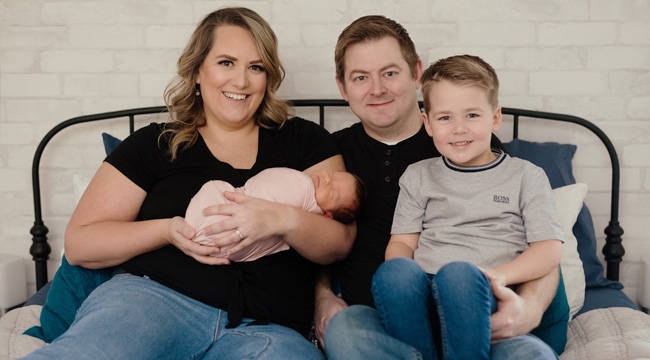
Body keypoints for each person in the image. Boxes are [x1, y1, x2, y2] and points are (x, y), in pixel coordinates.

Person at [22, 7, 354, 359]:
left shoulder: (305, 141)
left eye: (255, 67)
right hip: (152, 304)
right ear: (198, 70)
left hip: (266, 326)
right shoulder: (155, 144)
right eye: (226, 62)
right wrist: (166, 231)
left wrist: (282, 219)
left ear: (267, 77)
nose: (240, 81)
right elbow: (80, 243)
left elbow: (340, 241)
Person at [315, 14, 563, 360]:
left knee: (530, 355)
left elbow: (543, 246)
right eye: (360, 77)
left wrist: (531, 308)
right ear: (342, 87)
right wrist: (323, 296)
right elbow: (315, 239)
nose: (376, 89)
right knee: (346, 330)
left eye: (389, 72)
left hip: (480, 309)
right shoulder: (329, 156)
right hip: (381, 318)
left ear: (416, 71)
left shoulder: (472, 147)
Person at [371, 54, 567, 360]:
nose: (459, 128)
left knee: (460, 277)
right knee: (392, 272)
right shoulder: (419, 175)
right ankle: (426, 352)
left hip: (491, 291)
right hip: (429, 294)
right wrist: (407, 276)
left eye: (472, 115)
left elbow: (549, 250)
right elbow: (401, 243)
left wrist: (497, 276)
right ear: (428, 124)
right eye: (445, 118)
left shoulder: (525, 175)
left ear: (495, 118)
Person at [186, 167, 366, 261]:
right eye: (333, 175)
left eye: (333, 191)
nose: (327, 180)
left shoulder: (309, 206)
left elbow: (341, 242)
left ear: (328, 216)